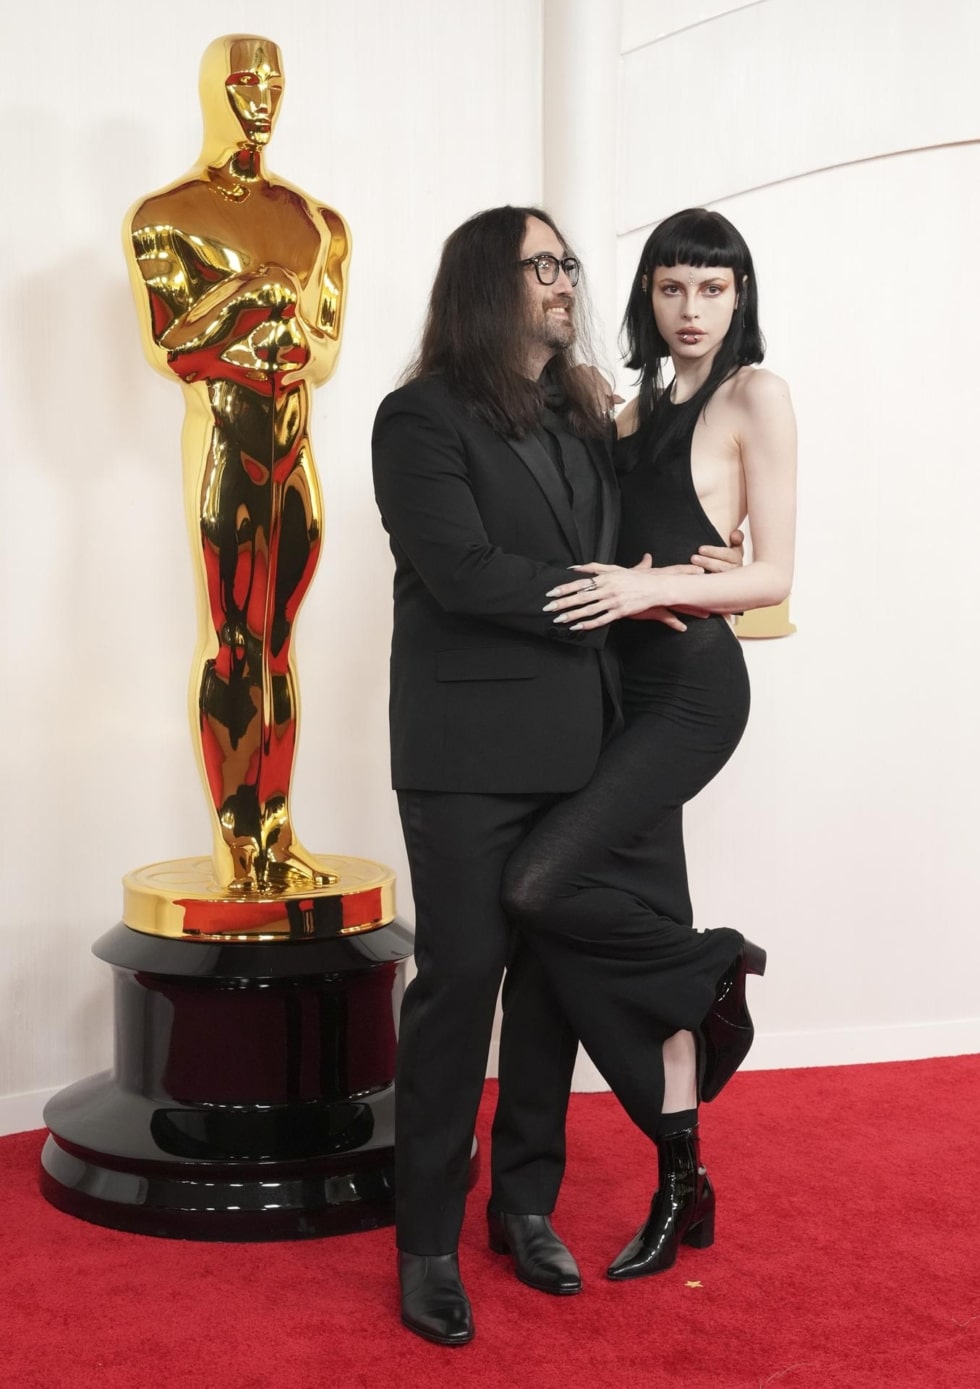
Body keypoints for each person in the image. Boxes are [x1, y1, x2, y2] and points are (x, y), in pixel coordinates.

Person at [372, 205, 744, 1346]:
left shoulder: (586, 416)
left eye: (568, 263)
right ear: (490, 282)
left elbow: (649, 537)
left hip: (584, 739)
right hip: (466, 757)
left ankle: (521, 1207)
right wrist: (604, 590)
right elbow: (461, 567)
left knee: (548, 994)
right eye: (543, 265)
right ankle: (426, 1239)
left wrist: (699, 565)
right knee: (462, 984)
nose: (566, 280)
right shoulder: (416, 416)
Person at [501, 207, 796, 1280]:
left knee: (536, 885)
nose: (690, 309)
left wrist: (649, 585)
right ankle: (682, 1185)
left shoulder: (753, 397)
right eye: (672, 288)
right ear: (646, 296)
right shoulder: (625, 414)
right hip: (612, 697)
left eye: (711, 289)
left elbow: (771, 575)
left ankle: (716, 968)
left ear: (739, 296)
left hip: (690, 695)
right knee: (635, 914)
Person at [125, 34, 350, 893]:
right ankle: (235, 839)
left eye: (274, 80)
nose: (262, 95)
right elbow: (171, 346)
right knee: (229, 642)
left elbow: (323, 353)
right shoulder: (165, 217)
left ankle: (277, 829)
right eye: (245, 80)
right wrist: (248, 295)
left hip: (294, 447)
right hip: (223, 438)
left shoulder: (317, 221)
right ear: (213, 89)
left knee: (280, 643)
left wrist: (289, 330)